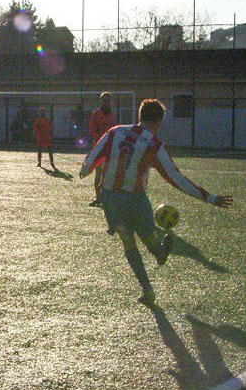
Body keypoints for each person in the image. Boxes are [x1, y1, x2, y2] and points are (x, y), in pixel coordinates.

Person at [80, 98, 232, 306]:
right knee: (148, 238)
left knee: (128, 241)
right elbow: (175, 178)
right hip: (134, 199)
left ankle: (147, 288)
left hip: (110, 197)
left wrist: (87, 167)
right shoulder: (154, 145)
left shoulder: (116, 131)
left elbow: (96, 152)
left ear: (140, 115)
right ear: (159, 121)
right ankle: (159, 253)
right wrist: (209, 197)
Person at [88, 92, 117, 206]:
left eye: (108, 100)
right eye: (104, 100)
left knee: (109, 173)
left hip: (110, 148)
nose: (106, 102)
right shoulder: (96, 114)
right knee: (98, 173)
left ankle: (108, 197)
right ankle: (98, 197)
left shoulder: (112, 115)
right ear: (101, 101)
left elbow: (115, 131)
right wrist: (101, 140)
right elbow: (92, 130)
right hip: (99, 147)